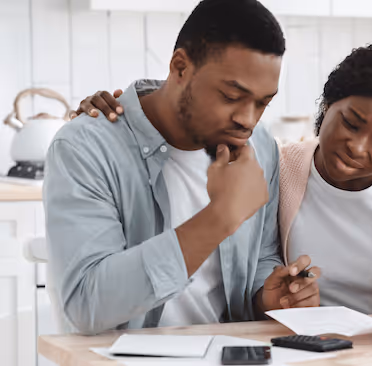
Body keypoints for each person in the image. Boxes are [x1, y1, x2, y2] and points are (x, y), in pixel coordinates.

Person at [76, 44, 372, 315]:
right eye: (351, 123)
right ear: (328, 104)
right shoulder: (278, 164)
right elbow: (184, 123)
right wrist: (120, 115)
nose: (358, 148)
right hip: (302, 352)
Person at [44, 0, 320, 336]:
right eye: (231, 96)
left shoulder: (259, 146)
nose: (248, 119)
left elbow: (261, 257)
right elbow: (86, 306)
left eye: (263, 102)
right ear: (180, 67)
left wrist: (268, 298)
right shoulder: (87, 147)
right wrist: (220, 217)